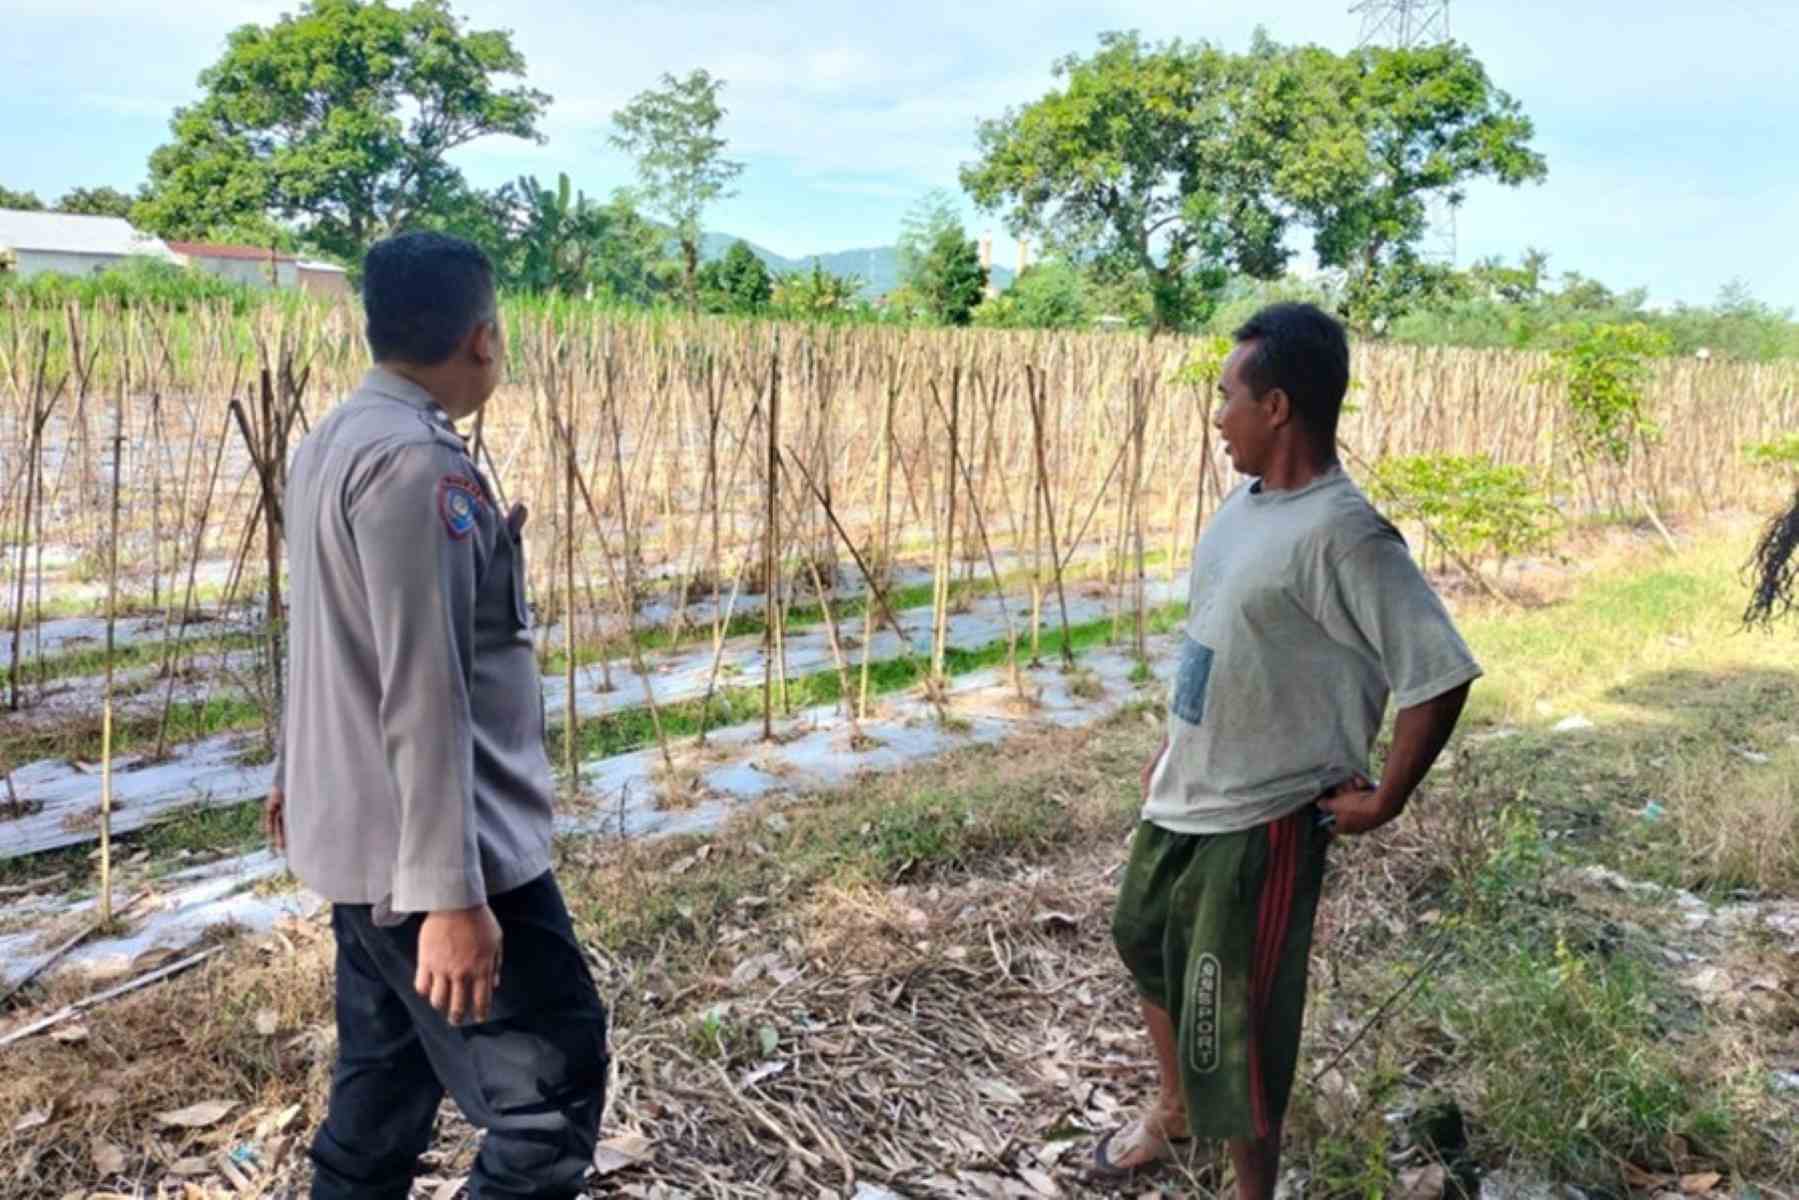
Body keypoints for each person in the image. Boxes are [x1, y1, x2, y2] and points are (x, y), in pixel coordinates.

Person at [1097, 303, 1480, 1198]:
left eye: (1226, 396)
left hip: (1259, 817)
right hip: (1189, 788)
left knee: (1231, 1023)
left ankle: (1250, 1190)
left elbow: (1439, 671)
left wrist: (1386, 797)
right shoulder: (1246, 504)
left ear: (1275, 407)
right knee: (1142, 935)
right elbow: (1215, 636)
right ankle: (1178, 1107)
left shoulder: (1345, 535)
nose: (1216, 415)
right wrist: (1173, 741)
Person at [264, 232, 608, 1200]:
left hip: (366, 842)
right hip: (436, 861)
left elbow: (332, 631)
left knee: (384, 1090)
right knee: (547, 1100)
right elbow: (424, 687)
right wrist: (453, 899)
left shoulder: (336, 437)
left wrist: (295, 769)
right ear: (483, 339)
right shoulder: (421, 467)